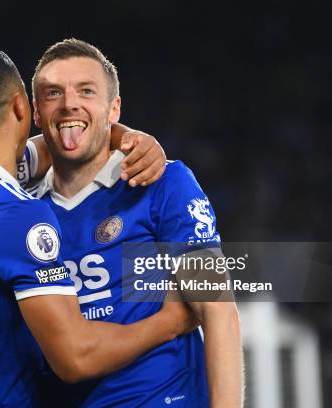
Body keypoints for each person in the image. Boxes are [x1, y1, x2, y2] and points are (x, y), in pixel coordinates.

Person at [0, 46, 198, 407]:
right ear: (23, 108)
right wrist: (170, 320)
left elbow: (48, 149)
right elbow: (76, 358)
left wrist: (124, 136)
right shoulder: (16, 216)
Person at [29, 39, 243, 407]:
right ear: (35, 112)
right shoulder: (19, 206)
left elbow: (217, 307)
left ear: (114, 109)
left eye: (86, 90)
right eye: (53, 93)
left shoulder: (163, 184)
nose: (69, 103)